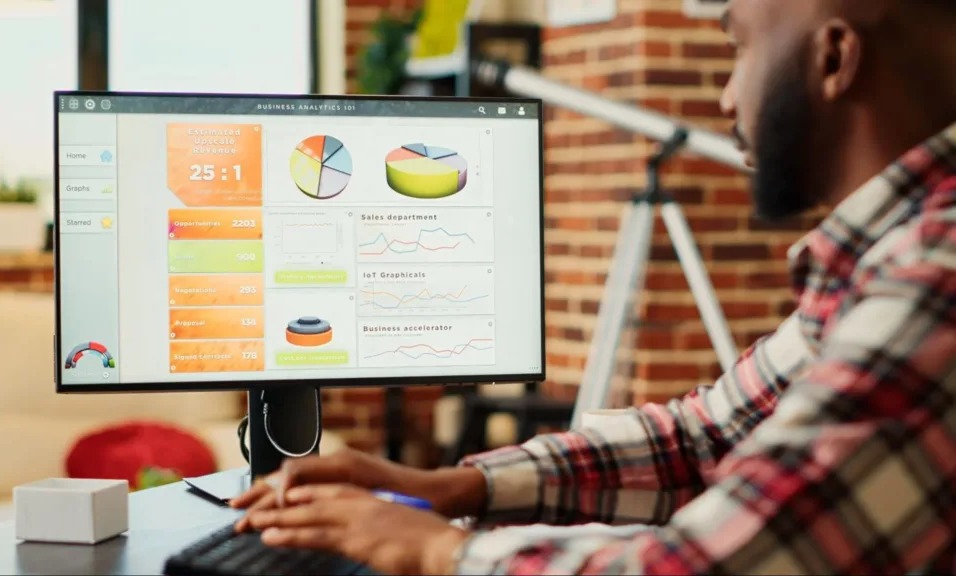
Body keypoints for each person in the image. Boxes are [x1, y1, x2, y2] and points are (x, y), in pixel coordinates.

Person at [231, 0, 956, 573]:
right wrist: (459, 487)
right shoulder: (886, 258)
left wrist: (432, 550)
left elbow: (700, 568)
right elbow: (703, 439)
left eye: (740, 47)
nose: (728, 97)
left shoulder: (934, 277)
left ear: (834, 58)